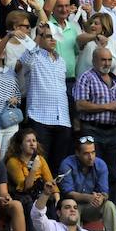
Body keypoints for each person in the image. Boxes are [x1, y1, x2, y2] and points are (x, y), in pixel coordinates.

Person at [73, 47, 116, 199]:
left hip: (113, 130)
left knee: (112, 172)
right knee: (91, 169)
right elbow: (80, 105)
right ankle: (90, 208)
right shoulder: (86, 77)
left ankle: (109, 206)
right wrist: (107, 106)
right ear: (94, 61)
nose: (106, 63)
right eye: (103, 59)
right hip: (92, 129)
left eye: (109, 60)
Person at [16, 25, 72, 169]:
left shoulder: (61, 61)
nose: (52, 39)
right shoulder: (34, 56)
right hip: (40, 117)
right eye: (48, 36)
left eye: (54, 37)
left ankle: (56, 191)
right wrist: (38, 35)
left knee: (59, 164)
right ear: (40, 38)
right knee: (38, 163)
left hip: (63, 119)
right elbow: (24, 61)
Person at [58, 138, 116, 231]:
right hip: (73, 204)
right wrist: (90, 197)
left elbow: (105, 192)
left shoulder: (100, 164)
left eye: (93, 152)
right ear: (77, 153)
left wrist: (100, 198)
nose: (91, 157)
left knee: (109, 205)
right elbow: (68, 193)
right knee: (72, 207)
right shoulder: (67, 164)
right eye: (86, 153)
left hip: (91, 206)